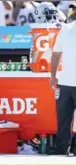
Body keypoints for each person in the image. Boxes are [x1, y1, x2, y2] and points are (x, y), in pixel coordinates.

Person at [49, 2, 76, 155]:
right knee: (63, 119)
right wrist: (53, 75)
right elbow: (56, 53)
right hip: (65, 81)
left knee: (64, 118)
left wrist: (53, 75)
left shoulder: (66, 28)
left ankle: (65, 148)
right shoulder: (66, 29)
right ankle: (62, 148)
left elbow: (56, 54)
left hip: (65, 81)